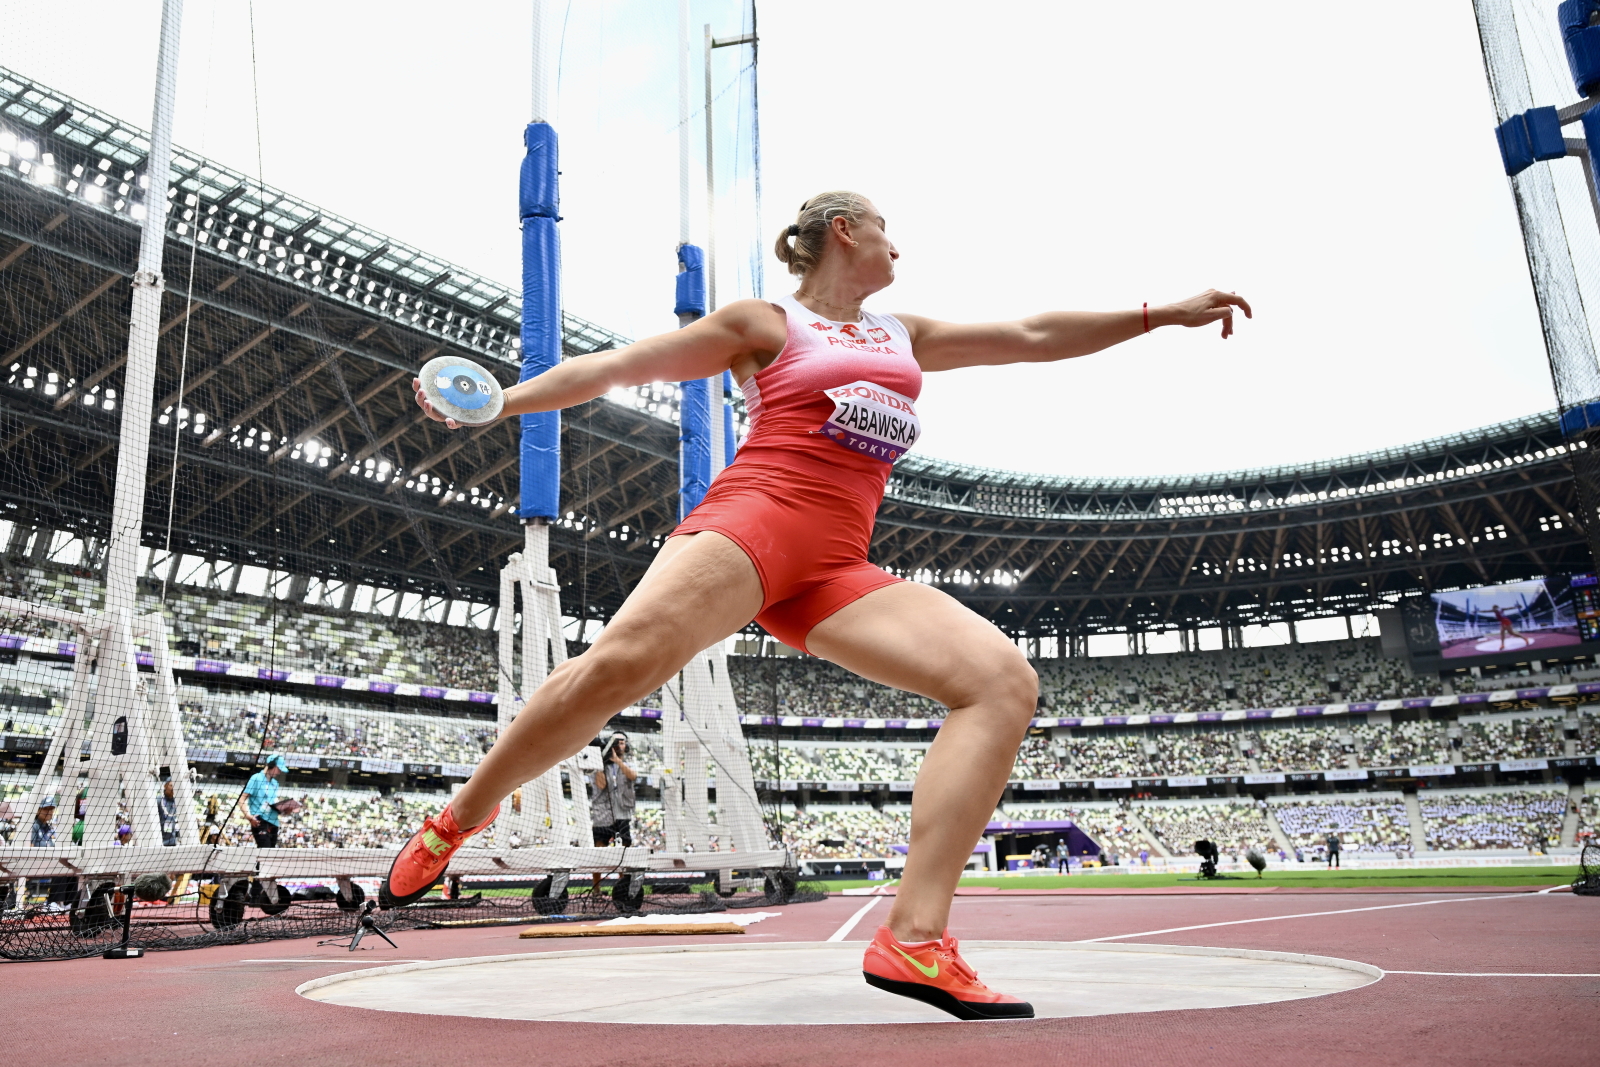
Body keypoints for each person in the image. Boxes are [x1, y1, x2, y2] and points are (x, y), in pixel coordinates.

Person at [382, 190, 1248, 1020]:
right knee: (621, 666)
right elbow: (621, 366)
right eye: (885, 226)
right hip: (751, 525)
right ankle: (460, 817)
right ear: (844, 230)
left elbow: (1030, 335)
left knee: (1002, 682)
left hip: (836, 566)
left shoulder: (905, 335)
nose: (898, 245)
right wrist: (504, 401)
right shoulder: (766, 324)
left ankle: (915, 939)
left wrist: (1157, 314)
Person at [244, 755, 287, 848]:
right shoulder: (256, 778)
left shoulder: (275, 783)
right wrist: (248, 816)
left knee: (270, 853)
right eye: (278, 769)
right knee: (265, 851)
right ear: (271, 765)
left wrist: (285, 809)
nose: (280, 772)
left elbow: (272, 803)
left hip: (274, 822)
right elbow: (241, 799)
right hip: (260, 821)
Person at [158, 778, 179, 847]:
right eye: (171, 785)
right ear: (165, 786)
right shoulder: (159, 800)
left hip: (172, 839)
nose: (173, 788)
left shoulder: (177, 801)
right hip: (160, 838)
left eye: (174, 786)